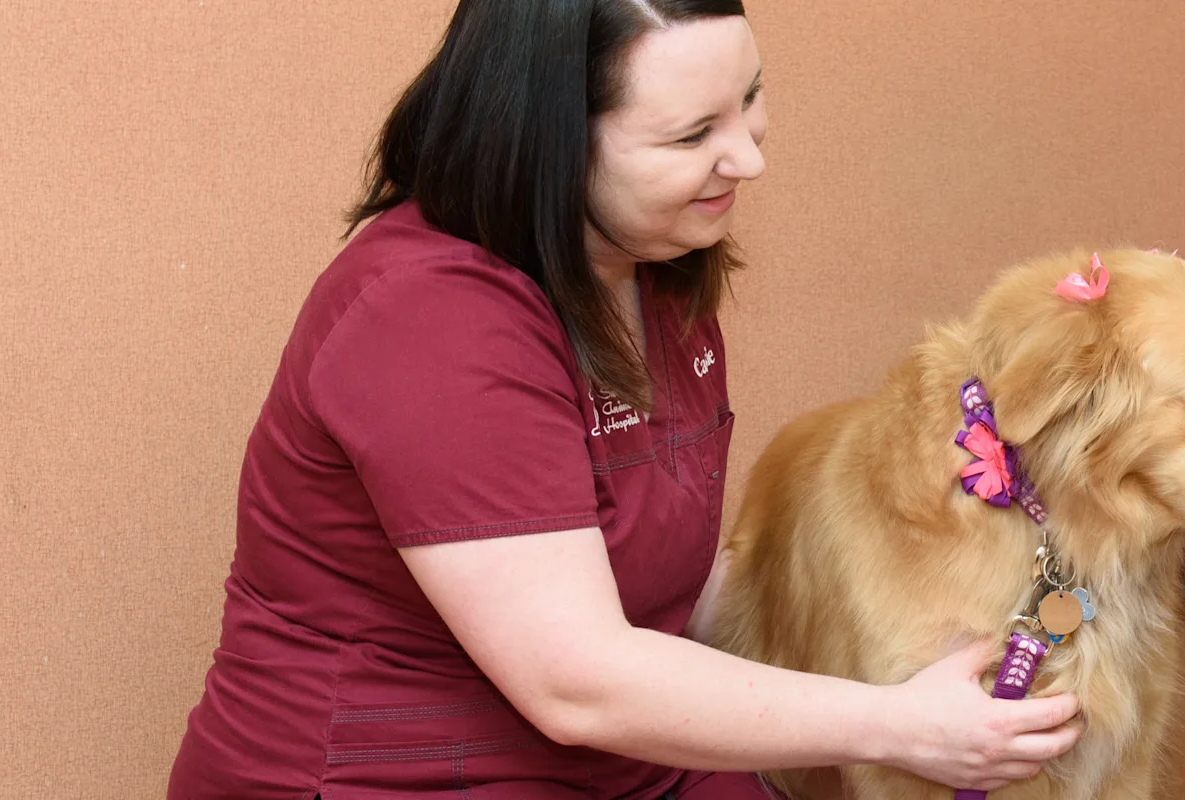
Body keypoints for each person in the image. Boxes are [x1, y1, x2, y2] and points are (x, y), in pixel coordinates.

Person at [166, 2, 1078, 797]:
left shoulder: (657, 278)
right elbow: (580, 681)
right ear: (546, 140)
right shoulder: (430, 317)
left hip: (621, 765)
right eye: (692, 136)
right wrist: (898, 725)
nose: (746, 158)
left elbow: (668, 594)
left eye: (750, 100)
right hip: (394, 776)